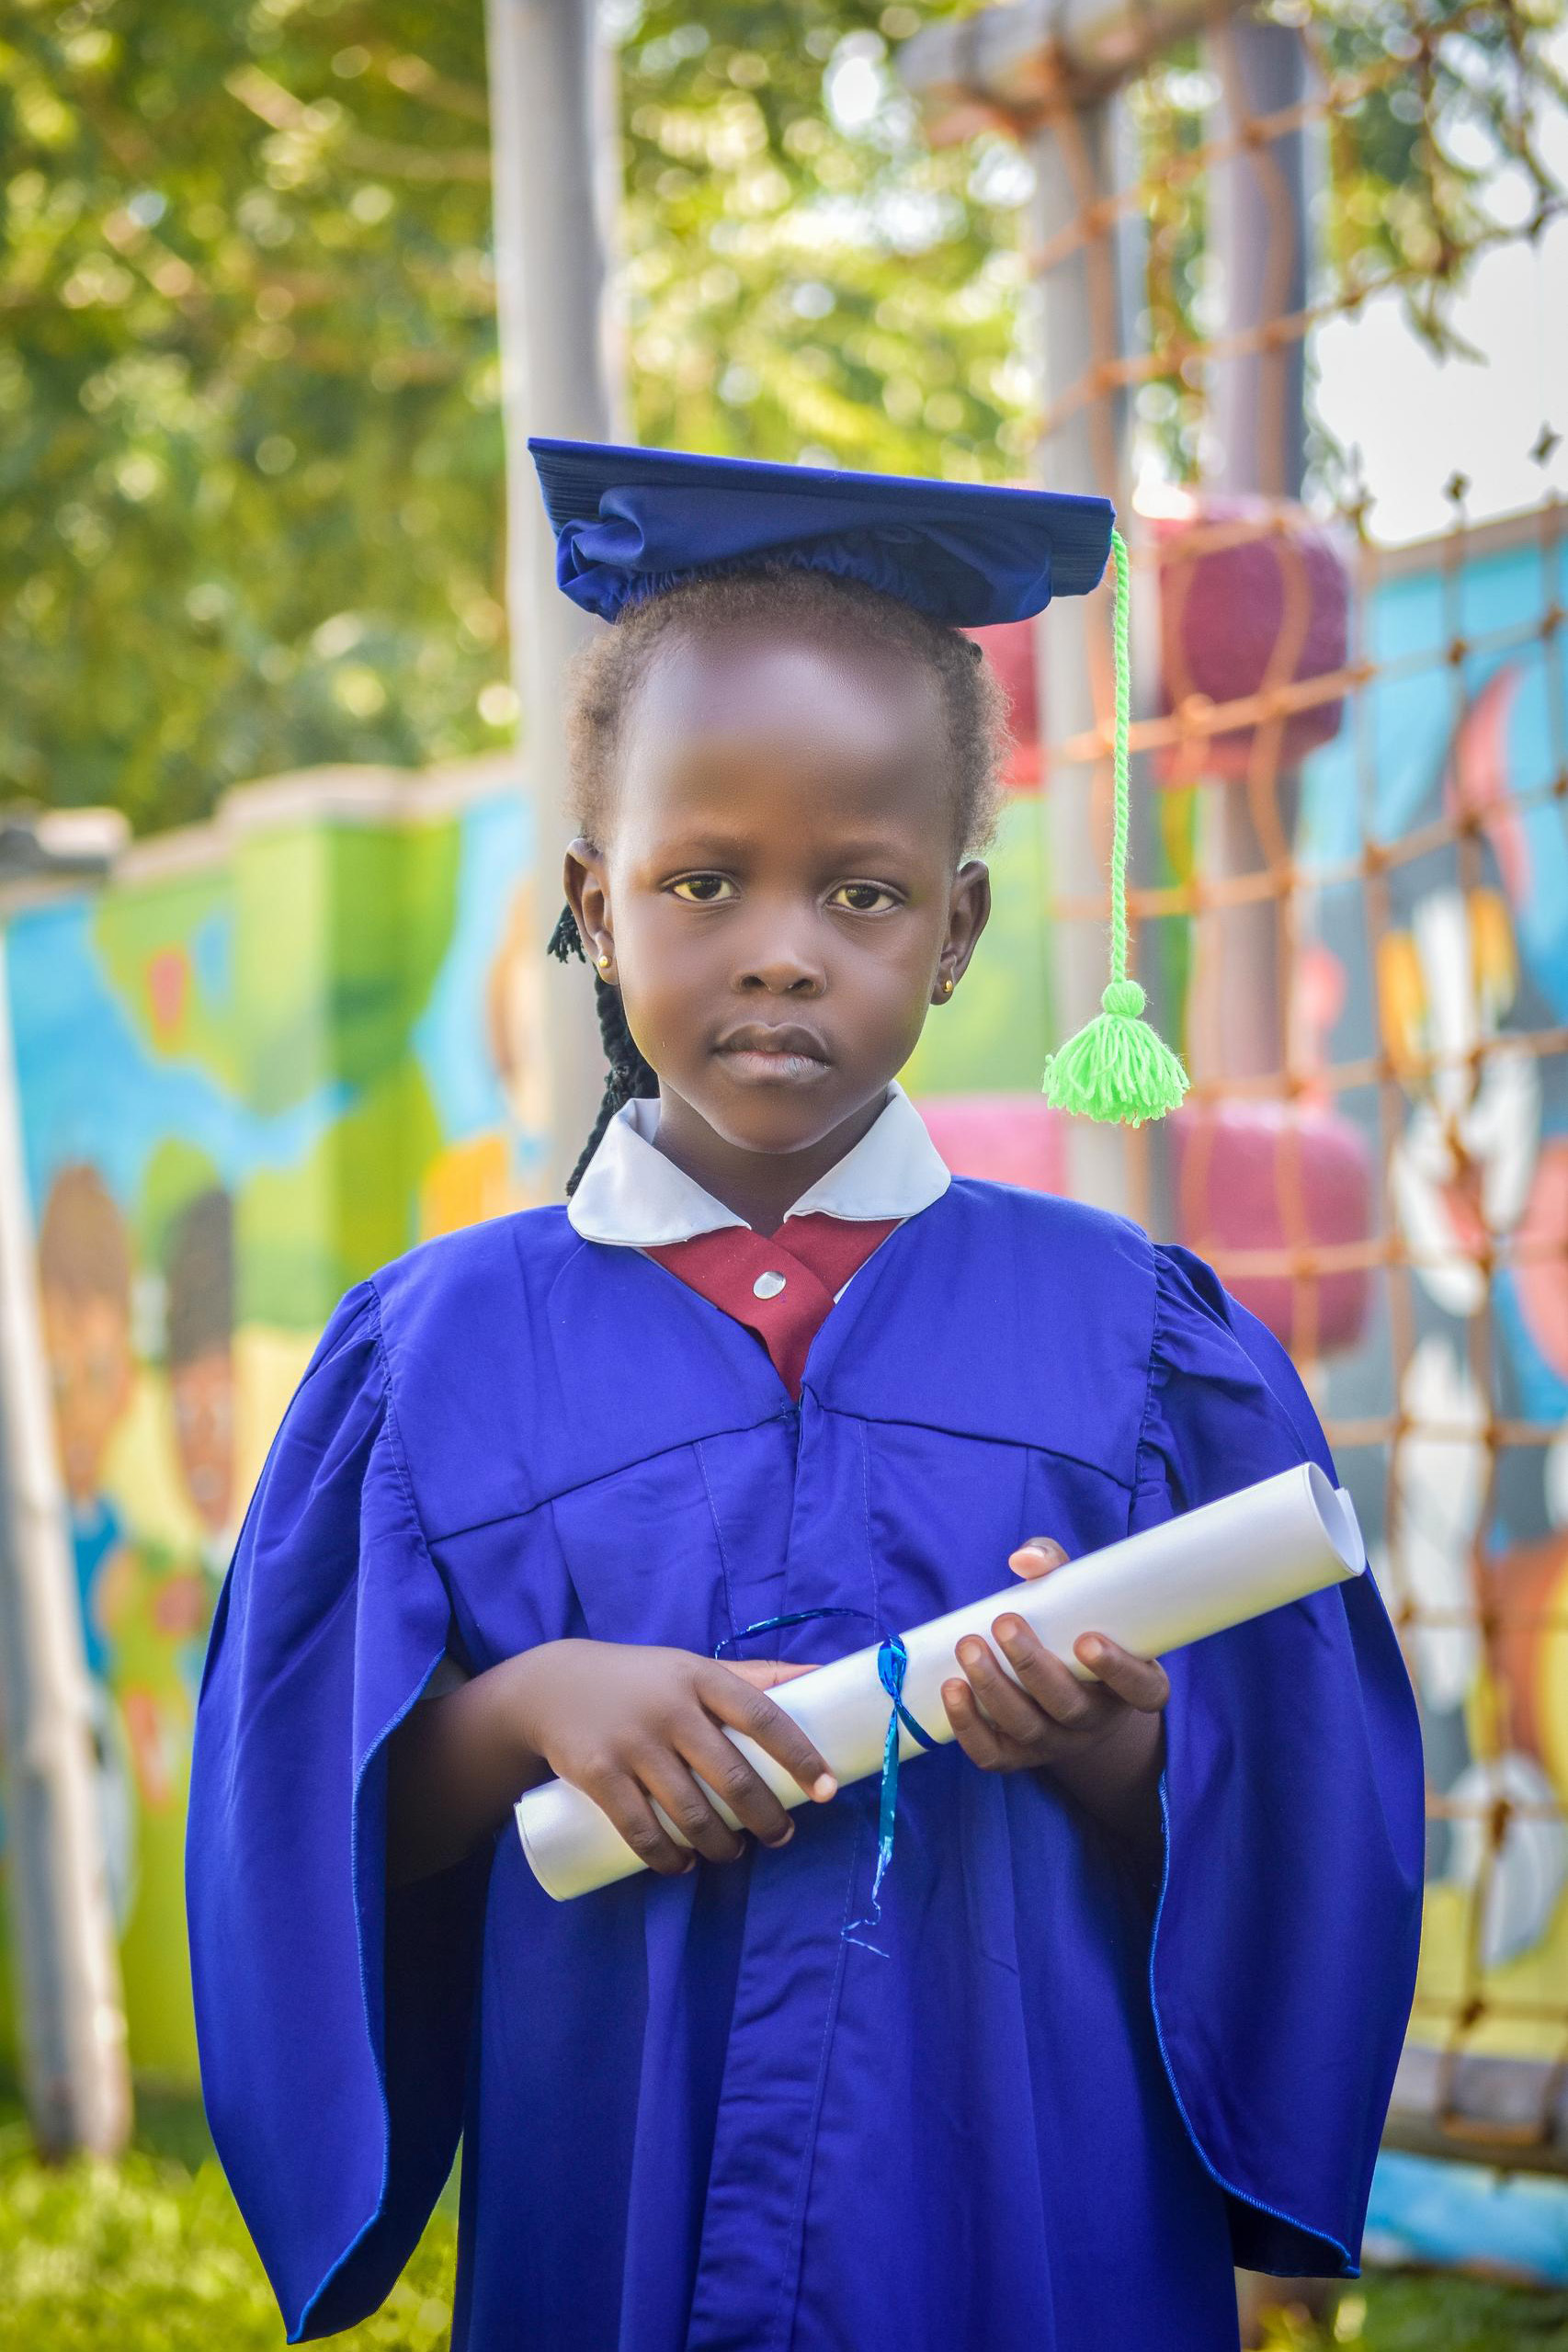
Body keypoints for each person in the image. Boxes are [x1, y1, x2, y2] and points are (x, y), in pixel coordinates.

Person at [186, 440, 1425, 2352]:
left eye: (861, 890)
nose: (781, 947)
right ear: (595, 904)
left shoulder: (1132, 1341)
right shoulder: (430, 1358)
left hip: (1031, 2211)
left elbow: (1304, 1823)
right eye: (703, 879)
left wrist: (1107, 1744)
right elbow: (299, 1826)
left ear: (957, 930)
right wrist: (525, 1708)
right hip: (611, 2197)